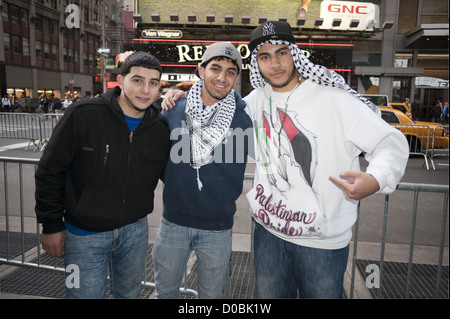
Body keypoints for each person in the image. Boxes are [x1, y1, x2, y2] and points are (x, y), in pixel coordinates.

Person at [163, 21, 409, 299]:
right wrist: (183, 96)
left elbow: (389, 142)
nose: (275, 63)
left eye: (282, 52)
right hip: (268, 236)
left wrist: (378, 178)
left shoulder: (334, 99)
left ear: (295, 53)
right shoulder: (254, 101)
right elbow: (216, 102)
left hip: (322, 242)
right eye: (264, 57)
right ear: (257, 63)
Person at [35, 52, 171, 299]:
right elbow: (49, 171)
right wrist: (52, 224)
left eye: (153, 83)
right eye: (137, 80)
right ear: (121, 81)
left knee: (129, 296)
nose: (145, 90)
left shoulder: (160, 128)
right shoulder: (83, 115)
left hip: (134, 232)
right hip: (82, 236)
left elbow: (172, 176)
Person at [152, 42, 252, 298]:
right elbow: (156, 157)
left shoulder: (242, 119)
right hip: (174, 222)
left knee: (212, 297)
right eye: (216, 68)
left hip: (218, 227)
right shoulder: (173, 110)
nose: (222, 77)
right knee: (166, 294)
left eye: (231, 71)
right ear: (200, 70)